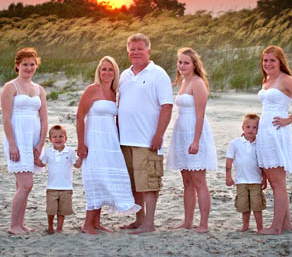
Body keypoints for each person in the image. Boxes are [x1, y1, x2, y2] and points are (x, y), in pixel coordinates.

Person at [76, 56, 141, 235]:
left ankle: (96, 222)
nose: (106, 73)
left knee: (105, 179)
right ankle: (87, 224)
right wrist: (81, 144)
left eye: (110, 69)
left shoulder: (114, 94)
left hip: (110, 142)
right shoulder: (92, 90)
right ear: (98, 71)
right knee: (95, 179)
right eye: (103, 69)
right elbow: (79, 117)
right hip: (94, 141)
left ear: (115, 73)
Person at [118, 33, 173, 234]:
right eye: (132, 49)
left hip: (147, 140)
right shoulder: (124, 75)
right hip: (125, 140)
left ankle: (149, 223)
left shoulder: (158, 74)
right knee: (134, 184)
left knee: (149, 183)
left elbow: (167, 106)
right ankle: (139, 220)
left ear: (148, 51)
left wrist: (159, 134)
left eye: (140, 49)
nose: (135, 52)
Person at [256, 45, 292, 235]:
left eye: (272, 60)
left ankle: (276, 227)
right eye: (265, 60)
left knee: (278, 183)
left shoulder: (286, 79)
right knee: (274, 182)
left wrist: (289, 119)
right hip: (265, 133)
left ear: (280, 61)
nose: (268, 64)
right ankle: (287, 224)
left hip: (276, 133)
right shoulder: (268, 80)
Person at [166, 47, 217, 233]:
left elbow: (200, 115)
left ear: (194, 64)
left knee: (199, 181)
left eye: (186, 62)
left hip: (195, 132)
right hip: (181, 131)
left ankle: (203, 224)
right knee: (186, 181)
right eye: (180, 62)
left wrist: (196, 141)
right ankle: (187, 222)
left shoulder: (198, 83)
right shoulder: (183, 82)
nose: (182, 65)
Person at [1, 48, 48, 235]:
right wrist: (12, 143)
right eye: (25, 64)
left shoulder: (39, 89)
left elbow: (44, 119)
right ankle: (13, 226)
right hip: (17, 138)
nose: (29, 68)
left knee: (22, 186)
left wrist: (41, 143)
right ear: (17, 66)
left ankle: (20, 224)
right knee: (26, 184)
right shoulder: (10, 87)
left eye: (32, 64)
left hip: (33, 139)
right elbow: (6, 118)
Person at [34, 124, 82, 234]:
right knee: (51, 210)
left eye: (61, 136)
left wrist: (82, 156)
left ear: (66, 138)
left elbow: (77, 165)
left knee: (62, 211)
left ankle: (59, 228)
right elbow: (41, 164)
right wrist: (33, 157)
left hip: (66, 187)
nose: (58, 139)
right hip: (51, 187)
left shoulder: (70, 152)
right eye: (55, 137)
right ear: (50, 139)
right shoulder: (48, 152)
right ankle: (50, 226)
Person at [226, 114, 267, 232]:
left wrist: (265, 179)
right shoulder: (235, 143)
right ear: (242, 127)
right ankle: (245, 226)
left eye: (254, 127)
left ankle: (260, 227)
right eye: (248, 127)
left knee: (257, 206)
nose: (251, 130)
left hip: (256, 181)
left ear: (258, 129)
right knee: (244, 206)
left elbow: (263, 163)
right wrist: (228, 176)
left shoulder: (260, 143)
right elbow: (229, 160)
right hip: (241, 181)